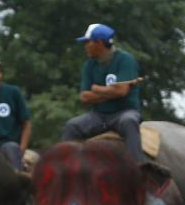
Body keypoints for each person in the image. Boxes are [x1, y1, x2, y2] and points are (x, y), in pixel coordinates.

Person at [61, 23, 144, 163]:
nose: (85, 46)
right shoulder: (89, 65)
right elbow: (84, 97)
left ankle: (138, 166)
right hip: (98, 115)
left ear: (98, 43)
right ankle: (63, 168)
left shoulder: (125, 59)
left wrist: (96, 89)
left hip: (124, 112)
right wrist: (111, 92)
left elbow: (122, 91)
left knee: (129, 121)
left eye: (87, 42)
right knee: (72, 125)